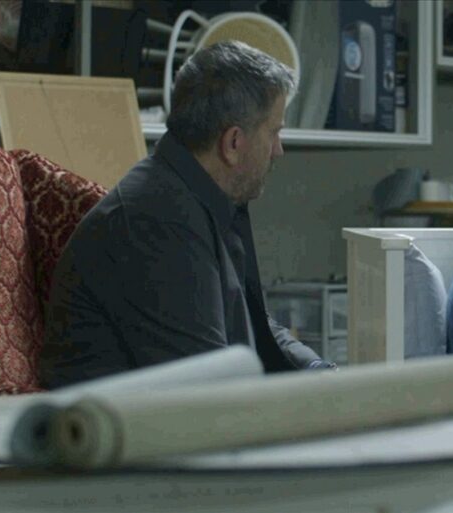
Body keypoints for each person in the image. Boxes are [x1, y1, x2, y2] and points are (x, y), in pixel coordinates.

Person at [39, 41, 336, 389]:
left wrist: (316, 369)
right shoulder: (156, 221)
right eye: (274, 132)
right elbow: (209, 389)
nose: (278, 150)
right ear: (233, 143)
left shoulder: (192, 196)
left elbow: (252, 321)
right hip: (125, 421)